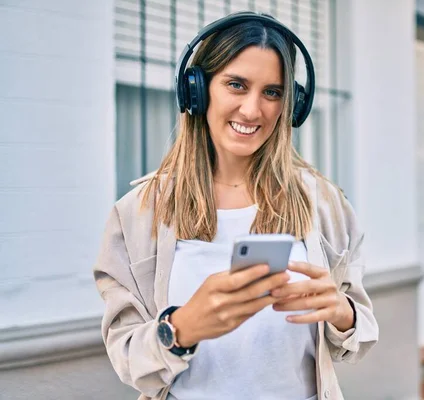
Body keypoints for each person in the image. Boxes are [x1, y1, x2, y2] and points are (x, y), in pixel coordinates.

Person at [93, 11, 378, 400]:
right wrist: (182, 327)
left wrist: (342, 313)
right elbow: (126, 357)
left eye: (272, 92)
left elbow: (359, 337)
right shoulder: (137, 213)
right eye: (236, 85)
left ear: (290, 106)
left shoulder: (324, 203)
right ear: (197, 89)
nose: (252, 110)